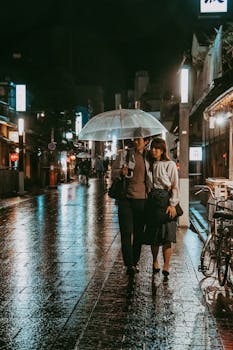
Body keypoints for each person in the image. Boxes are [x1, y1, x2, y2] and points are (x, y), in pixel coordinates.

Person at [112, 129, 150, 276]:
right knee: (126, 232)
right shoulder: (125, 154)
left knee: (139, 234)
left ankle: (135, 261)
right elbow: (113, 172)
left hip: (142, 200)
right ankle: (129, 264)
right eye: (134, 139)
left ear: (146, 141)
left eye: (139, 139)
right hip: (125, 199)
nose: (135, 141)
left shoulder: (149, 157)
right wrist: (120, 172)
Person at [144, 137, 180, 281]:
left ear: (163, 150)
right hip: (153, 202)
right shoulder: (150, 164)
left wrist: (172, 204)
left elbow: (175, 185)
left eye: (157, 148)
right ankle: (154, 261)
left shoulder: (170, 164)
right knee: (154, 236)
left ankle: (166, 265)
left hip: (166, 200)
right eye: (152, 148)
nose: (154, 150)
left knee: (167, 236)